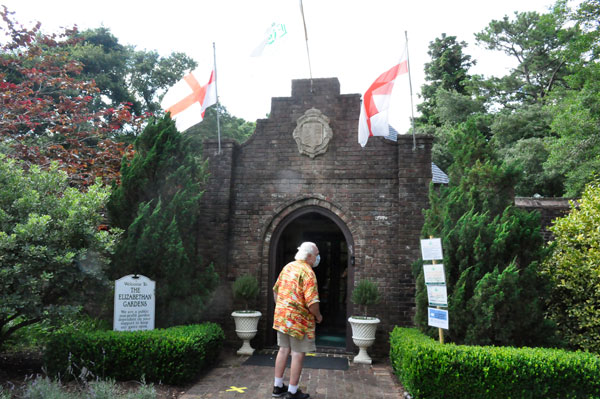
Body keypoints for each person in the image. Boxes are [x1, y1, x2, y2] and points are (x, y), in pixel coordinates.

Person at [272, 242, 323, 399]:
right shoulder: (308, 273)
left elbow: (276, 291)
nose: (318, 257)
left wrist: (283, 309)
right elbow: (312, 302)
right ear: (309, 256)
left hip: (282, 318)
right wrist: (318, 316)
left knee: (283, 350)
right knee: (297, 354)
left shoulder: (288, 267)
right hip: (299, 323)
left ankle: (278, 386)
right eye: (317, 254)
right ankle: (293, 392)